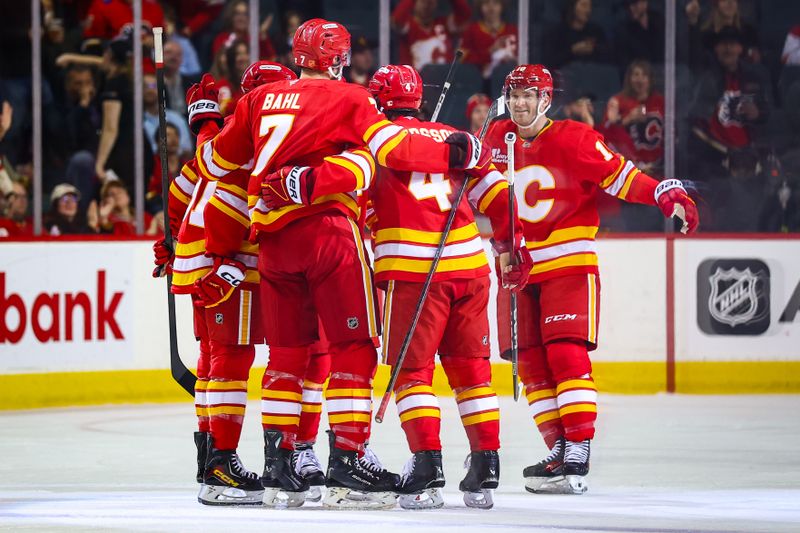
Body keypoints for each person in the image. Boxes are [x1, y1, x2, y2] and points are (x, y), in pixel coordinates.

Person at [192, 17, 482, 509]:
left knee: (285, 354)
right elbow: (395, 147)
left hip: (274, 243)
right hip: (328, 236)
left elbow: (215, 165)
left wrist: (208, 126)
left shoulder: (257, 101)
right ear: (339, 60)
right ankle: (347, 461)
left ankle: (279, 467)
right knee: (354, 346)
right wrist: (456, 148)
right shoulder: (351, 99)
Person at [482, 64, 699, 495]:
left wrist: (660, 192)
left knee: (565, 353)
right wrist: (505, 250)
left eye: (531, 95)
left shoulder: (574, 137)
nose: (522, 103)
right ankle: (558, 447)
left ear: (547, 100)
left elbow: (619, 176)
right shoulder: (496, 138)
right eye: (516, 94)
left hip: (567, 262)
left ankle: (578, 448)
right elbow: (480, 192)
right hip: (515, 269)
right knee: (529, 363)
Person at [364, 64, 529, 510]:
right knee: (471, 372)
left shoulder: (373, 140)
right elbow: (498, 196)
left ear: (379, 100)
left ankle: (427, 465)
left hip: (413, 273)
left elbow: (355, 203)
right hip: (470, 268)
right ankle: (486, 464)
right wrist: (512, 243)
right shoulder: (460, 139)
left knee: (413, 374)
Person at [152, 61, 298, 506]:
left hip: (201, 261)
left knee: (214, 360)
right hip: (225, 263)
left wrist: (173, 239)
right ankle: (221, 467)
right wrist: (223, 260)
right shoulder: (261, 141)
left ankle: (209, 458)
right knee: (232, 360)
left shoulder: (222, 136)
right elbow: (226, 203)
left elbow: (182, 187)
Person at [688, 26, 771, 178]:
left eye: (732, 44)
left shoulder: (754, 77)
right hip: (716, 158)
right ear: (715, 49)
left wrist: (758, 113)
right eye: (723, 44)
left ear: (740, 49)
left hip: (752, 154)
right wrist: (725, 151)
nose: (727, 48)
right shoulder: (707, 79)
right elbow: (697, 123)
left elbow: (768, 113)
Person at [602, 60, 664, 175]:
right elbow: (607, 130)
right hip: (627, 168)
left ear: (650, 79)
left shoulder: (660, 101)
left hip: (657, 166)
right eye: (636, 74)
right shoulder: (618, 101)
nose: (640, 79)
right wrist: (629, 118)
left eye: (644, 75)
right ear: (629, 78)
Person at [391, 0, 472, 71]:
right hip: (415, 83)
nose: (426, 5)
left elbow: (464, 14)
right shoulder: (408, 25)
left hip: (443, 82)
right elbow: (397, 18)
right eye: (423, 1)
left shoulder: (444, 24)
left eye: (431, 2)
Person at [543, 0, 610, 70]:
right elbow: (550, 62)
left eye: (590, 6)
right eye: (584, 5)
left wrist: (594, 49)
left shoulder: (595, 31)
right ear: (572, 7)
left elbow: (608, 58)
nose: (588, 10)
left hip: (593, 76)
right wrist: (572, 51)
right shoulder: (557, 33)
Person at [460, 0, 517, 79]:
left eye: (496, 3)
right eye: (486, 3)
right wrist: (489, 52)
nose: (491, 8)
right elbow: (462, 60)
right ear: (480, 6)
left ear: (502, 6)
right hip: (478, 81)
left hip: (509, 81)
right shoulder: (472, 30)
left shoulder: (512, 30)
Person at [612, 0, 664, 72]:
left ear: (645, 3)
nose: (631, 8)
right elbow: (624, 63)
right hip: (637, 77)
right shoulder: (623, 30)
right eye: (628, 5)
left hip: (661, 74)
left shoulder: (659, 22)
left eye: (634, 4)